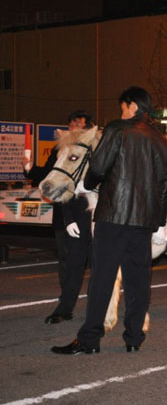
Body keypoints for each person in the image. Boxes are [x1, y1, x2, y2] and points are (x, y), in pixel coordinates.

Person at [52, 87, 167, 355]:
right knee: (138, 280)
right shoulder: (162, 140)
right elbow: (165, 187)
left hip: (113, 215)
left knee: (102, 279)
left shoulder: (117, 130)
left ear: (132, 106)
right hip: (144, 220)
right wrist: (160, 224)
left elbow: (98, 167)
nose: (121, 112)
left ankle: (89, 340)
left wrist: (88, 184)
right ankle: (133, 338)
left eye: (122, 107)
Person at [24, 110, 93, 325]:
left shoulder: (94, 149)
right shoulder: (62, 150)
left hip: (95, 212)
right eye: (72, 122)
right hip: (69, 211)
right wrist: (29, 169)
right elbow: (50, 177)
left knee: (101, 263)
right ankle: (65, 306)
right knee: (70, 263)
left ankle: (98, 307)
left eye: (80, 124)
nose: (75, 127)